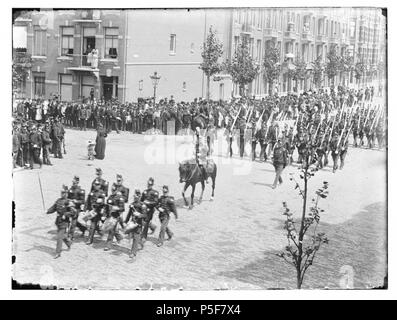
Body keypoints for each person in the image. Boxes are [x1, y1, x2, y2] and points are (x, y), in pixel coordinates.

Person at [46, 185, 73, 259]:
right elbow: (53, 208)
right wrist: (47, 211)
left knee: (59, 237)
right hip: (58, 221)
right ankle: (69, 243)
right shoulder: (58, 200)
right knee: (62, 236)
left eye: (64, 192)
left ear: (67, 193)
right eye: (61, 192)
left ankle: (58, 253)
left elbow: (73, 213)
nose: (62, 194)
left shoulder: (69, 202)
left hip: (65, 222)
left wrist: (66, 214)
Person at [124, 189, 145, 259]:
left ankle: (133, 252)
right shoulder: (132, 204)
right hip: (132, 222)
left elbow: (145, 215)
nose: (135, 197)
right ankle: (141, 243)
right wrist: (125, 221)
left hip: (138, 223)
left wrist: (139, 215)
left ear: (139, 196)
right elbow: (129, 214)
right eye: (135, 195)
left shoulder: (142, 205)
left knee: (135, 237)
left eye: (137, 195)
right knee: (133, 236)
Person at [85, 180, 107, 245]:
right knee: (93, 224)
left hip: (98, 211)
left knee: (93, 225)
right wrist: (85, 209)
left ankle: (90, 239)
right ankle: (100, 232)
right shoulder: (91, 192)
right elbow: (88, 201)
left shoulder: (102, 193)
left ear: (100, 186)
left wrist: (100, 201)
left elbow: (103, 203)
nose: (96, 186)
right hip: (92, 211)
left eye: (98, 185)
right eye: (95, 184)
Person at [67, 176, 87, 241]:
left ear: (78, 182)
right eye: (73, 182)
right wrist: (69, 200)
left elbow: (83, 201)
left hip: (76, 208)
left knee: (73, 222)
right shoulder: (70, 189)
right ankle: (83, 228)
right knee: (70, 221)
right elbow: (67, 197)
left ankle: (70, 236)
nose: (73, 183)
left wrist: (76, 201)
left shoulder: (81, 191)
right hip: (70, 207)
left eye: (75, 182)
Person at [140, 177, 159, 241]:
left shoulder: (155, 193)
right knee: (142, 220)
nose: (149, 186)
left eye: (150, 185)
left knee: (146, 221)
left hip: (150, 209)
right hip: (144, 209)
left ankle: (144, 237)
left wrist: (148, 203)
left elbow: (156, 202)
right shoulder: (145, 192)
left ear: (152, 185)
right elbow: (141, 200)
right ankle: (153, 227)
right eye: (148, 184)